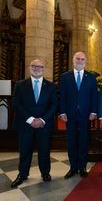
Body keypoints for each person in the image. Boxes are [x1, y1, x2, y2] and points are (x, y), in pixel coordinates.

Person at [11, 59, 57, 188]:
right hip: (25, 124)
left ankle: (45, 173)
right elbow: (16, 104)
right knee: (24, 150)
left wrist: (42, 120)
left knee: (44, 150)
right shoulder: (20, 85)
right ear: (29, 67)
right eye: (34, 66)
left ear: (43, 69)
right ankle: (23, 174)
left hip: (44, 124)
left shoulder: (51, 86)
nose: (37, 68)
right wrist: (31, 120)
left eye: (40, 67)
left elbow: (54, 105)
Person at [59, 51, 98, 179]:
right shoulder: (65, 76)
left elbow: (94, 96)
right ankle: (73, 167)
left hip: (85, 115)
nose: (80, 61)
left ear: (85, 61)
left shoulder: (91, 77)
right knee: (71, 141)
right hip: (70, 115)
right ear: (73, 60)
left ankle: (82, 167)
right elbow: (62, 96)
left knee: (84, 141)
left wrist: (93, 111)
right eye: (78, 59)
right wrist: (62, 111)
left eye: (82, 59)